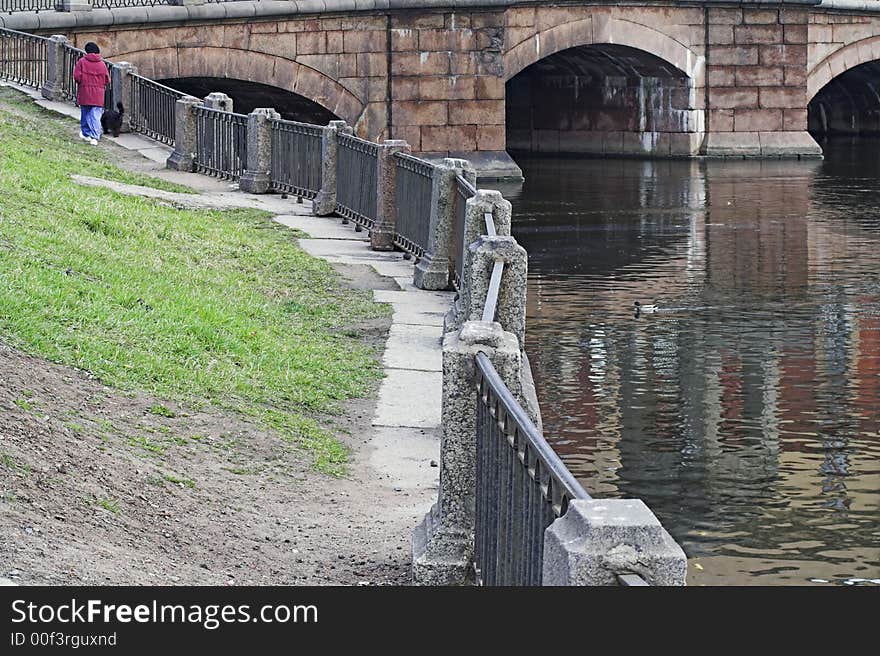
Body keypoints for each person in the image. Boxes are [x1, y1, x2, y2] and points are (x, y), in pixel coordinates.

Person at [73, 42, 110, 146]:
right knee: (95, 115)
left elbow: (77, 77)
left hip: (85, 92)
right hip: (98, 94)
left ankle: (86, 133)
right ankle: (95, 136)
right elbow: (107, 79)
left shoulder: (82, 62)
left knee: (85, 113)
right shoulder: (102, 64)